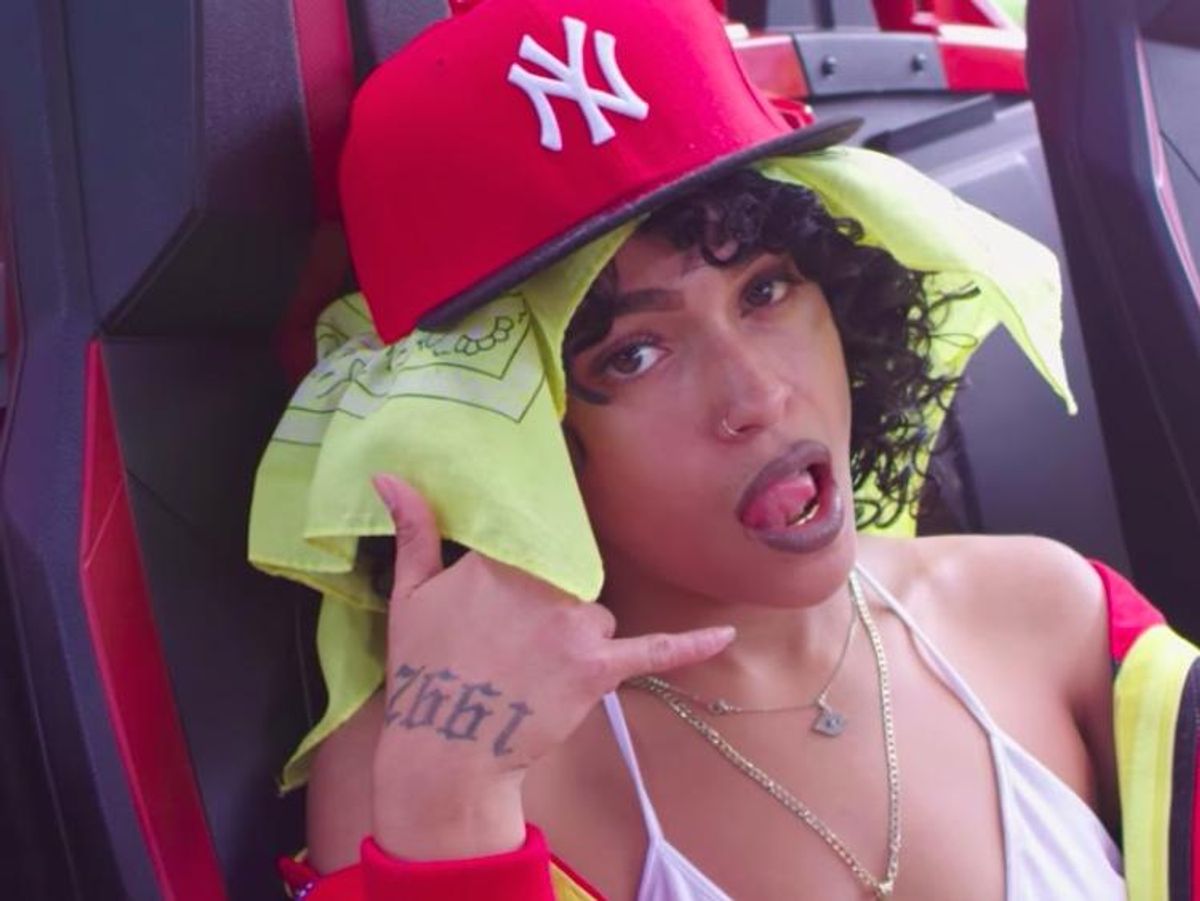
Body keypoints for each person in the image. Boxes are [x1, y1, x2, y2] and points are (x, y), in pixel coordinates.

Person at [250, 0, 1199, 898]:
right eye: (634, 353)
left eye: (765, 290)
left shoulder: (1050, 618)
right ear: (496, 440)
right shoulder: (433, 765)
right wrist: (450, 812)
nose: (759, 396)